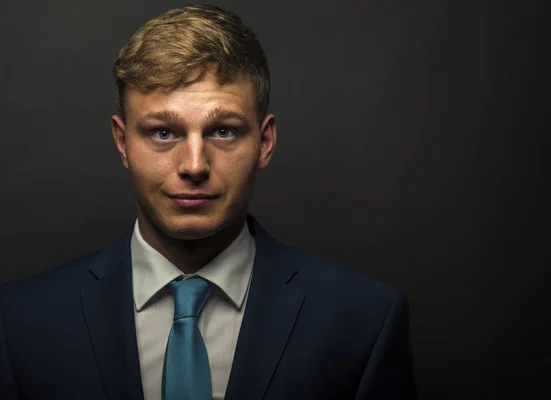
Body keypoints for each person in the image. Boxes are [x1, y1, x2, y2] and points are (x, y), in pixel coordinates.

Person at [0, 5, 416, 399]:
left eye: (223, 131)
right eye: (163, 132)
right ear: (122, 142)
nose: (195, 165)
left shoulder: (364, 322)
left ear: (265, 142)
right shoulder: (19, 322)